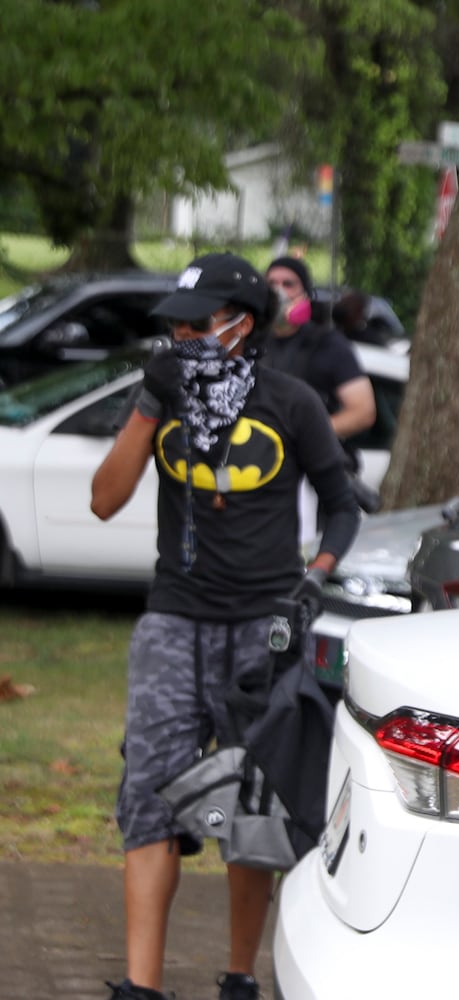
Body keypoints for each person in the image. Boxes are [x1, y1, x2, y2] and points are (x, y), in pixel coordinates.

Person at [90, 252, 361, 1000]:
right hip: (174, 623)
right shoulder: (163, 396)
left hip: (265, 629)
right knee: (148, 793)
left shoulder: (293, 402)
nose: (180, 335)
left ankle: (240, 975)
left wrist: (317, 574)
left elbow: (342, 503)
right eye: (174, 324)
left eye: (196, 322)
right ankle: (141, 986)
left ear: (244, 323)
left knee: (254, 804)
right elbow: (104, 500)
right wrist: (149, 403)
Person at [257, 257, 378, 529]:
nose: (279, 291)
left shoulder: (328, 345)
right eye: (272, 284)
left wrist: (308, 434)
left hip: (313, 477)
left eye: (289, 284)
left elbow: (363, 411)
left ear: (306, 294)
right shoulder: (250, 343)